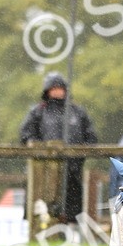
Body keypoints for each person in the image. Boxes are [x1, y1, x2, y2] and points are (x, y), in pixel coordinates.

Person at [19, 72, 99, 223]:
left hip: (73, 170)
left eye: (60, 88)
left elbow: (91, 137)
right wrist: (42, 151)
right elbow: (26, 136)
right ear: (47, 90)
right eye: (53, 88)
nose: (57, 91)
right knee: (43, 208)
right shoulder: (38, 112)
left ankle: (70, 236)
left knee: (71, 211)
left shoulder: (77, 112)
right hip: (43, 171)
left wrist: (80, 152)